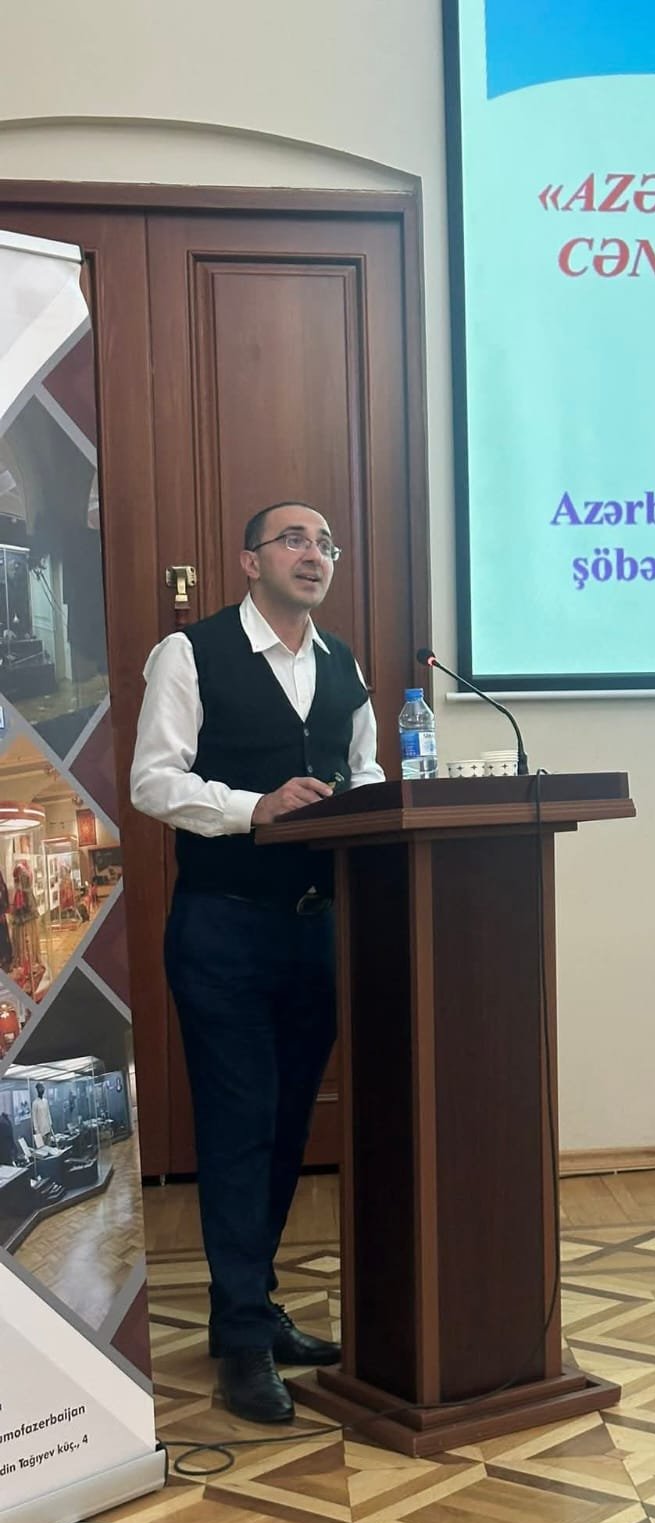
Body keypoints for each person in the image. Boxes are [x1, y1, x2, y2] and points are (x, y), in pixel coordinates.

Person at [131, 502, 385, 1424]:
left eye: (326, 544)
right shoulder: (190, 653)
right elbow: (152, 781)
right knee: (238, 1128)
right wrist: (254, 807)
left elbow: (366, 777)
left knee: (284, 1129)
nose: (315, 555)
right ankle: (241, 1339)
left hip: (316, 930)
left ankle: (254, 1306)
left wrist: (371, 807)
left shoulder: (343, 663)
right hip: (225, 928)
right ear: (249, 561)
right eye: (294, 540)